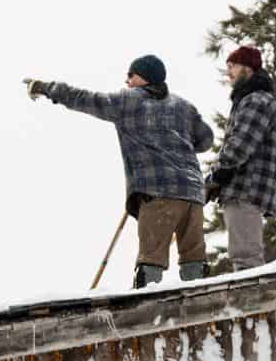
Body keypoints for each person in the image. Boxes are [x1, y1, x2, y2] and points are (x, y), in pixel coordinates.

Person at [23, 55, 215, 287]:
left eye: (131, 75)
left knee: (151, 260)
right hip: (193, 194)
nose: (127, 80)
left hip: (158, 193)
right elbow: (206, 139)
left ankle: (146, 303)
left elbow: (83, 98)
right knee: (194, 258)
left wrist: (46, 88)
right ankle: (202, 299)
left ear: (144, 77)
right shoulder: (184, 106)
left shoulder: (128, 101)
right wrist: (174, 142)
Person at [208, 45, 276, 272]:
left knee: (246, 259)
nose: (228, 71)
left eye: (233, 66)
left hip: (245, 189)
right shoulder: (247, 100)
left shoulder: (257, 100)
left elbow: (240, 146)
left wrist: (217, 175)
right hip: (240, 189)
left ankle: (254, 296)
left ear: (247, 68)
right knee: (243, 256)